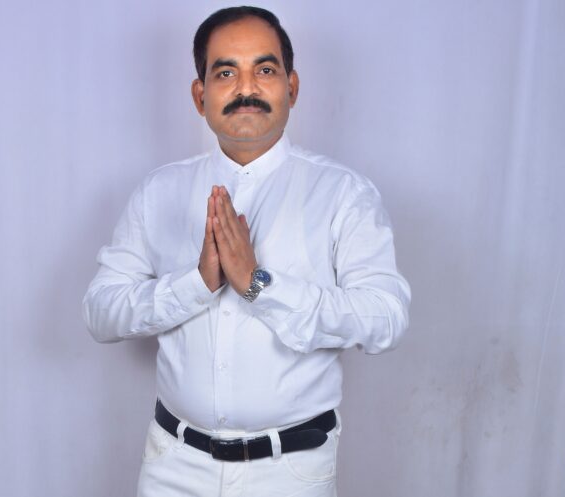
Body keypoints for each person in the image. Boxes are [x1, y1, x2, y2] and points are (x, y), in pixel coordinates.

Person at [83, 6, 411, 497]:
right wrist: (196, 285)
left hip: (290, 473)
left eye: (265, 69)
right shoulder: (159, 192)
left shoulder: (344, 194)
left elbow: (386, 319)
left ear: (291, 87)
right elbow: (100, 313)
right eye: (225, 72)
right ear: (200, 95)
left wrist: (258, 284)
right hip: (173, 466)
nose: (246, 88)